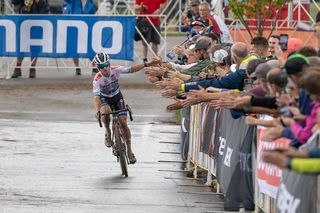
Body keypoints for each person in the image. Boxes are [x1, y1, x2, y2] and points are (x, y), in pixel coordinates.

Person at [93, 51, 160, 164]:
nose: (105, 68)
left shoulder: (116, 69)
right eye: (101, 67)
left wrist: (147, 64)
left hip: (117, 96)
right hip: (105, 99)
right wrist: (97, 111)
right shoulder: (97, 79)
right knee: (104, 112)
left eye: (106, 65)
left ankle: (129, 149)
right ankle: (108, 131)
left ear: (109, 63)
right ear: (98, 67)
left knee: (123, 123)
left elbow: (131, 69)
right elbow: (96, 98)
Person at [11, 0, 49, 78]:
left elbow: (45, 11)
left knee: (34, 48)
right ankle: (17, 68)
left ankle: (32, 68)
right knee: (21, 47)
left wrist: (39, 2)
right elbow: (14, 2)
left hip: (36, 26)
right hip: (23, 24)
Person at [65, 0, 97, 76]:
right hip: (74, 28)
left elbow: (93, 17)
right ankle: (77, 68)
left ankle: (94, 66)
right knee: (74, 49)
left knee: (89, 49)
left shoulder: (91, 3)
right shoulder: (73, 1)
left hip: (87, 29)